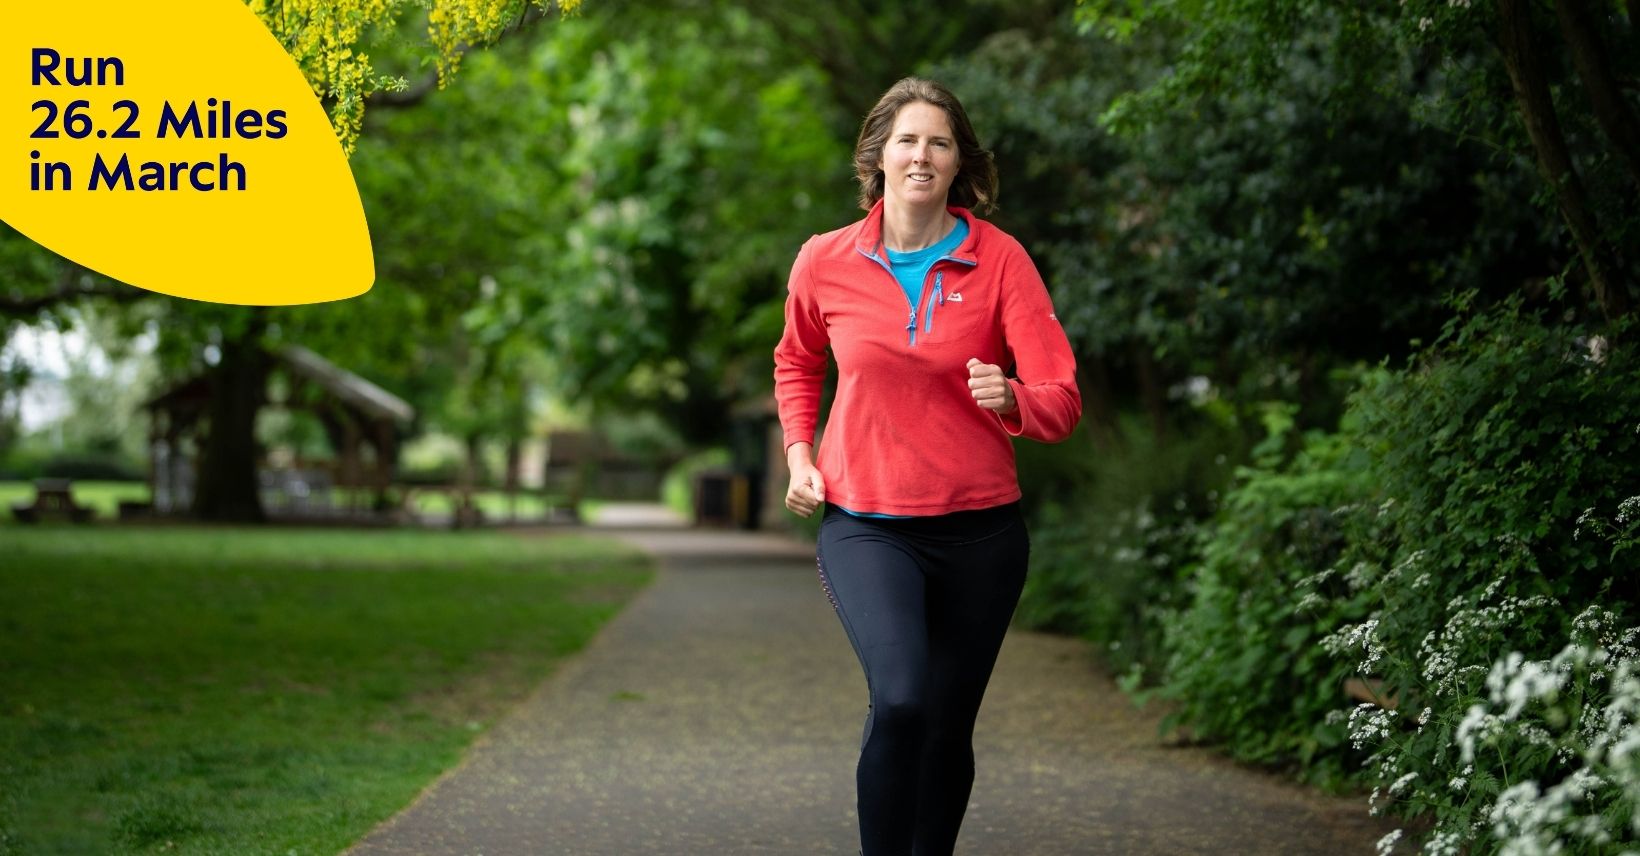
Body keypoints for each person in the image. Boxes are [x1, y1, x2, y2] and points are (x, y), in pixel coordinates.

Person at [772, 77, 1081, 856]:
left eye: (939, 142)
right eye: (907, 140)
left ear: (958, 162)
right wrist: (800, 454)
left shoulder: (1002, 261)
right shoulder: (824, 261)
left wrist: (1010, 397)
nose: (922, 155)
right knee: (903, 701)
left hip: (981, 537)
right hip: (867, 527)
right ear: (877, 156)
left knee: (947, 725)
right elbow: (797, 361)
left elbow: (1062, 398)